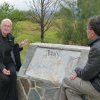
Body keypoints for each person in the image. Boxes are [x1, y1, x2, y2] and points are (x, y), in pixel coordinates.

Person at [59, 16, 100, 100]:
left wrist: (77, 70)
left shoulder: (96, 48)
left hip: (98, 88)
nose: (86, 31)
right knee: (70, 91)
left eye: (87, 29)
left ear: (92, 32)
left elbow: (86, 75)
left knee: (66, 80)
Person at [0, 19, 28, 100]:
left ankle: (12, 98)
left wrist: (19, 46)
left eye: (8, 26)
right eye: (5, 25)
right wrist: (2, 68)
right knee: (5, 80)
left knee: (13, 74)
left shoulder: (10, 37)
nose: (6, 28)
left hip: (9, 62)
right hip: (0, 63)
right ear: (1, 26)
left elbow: (11, 50)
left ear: (10, 28)